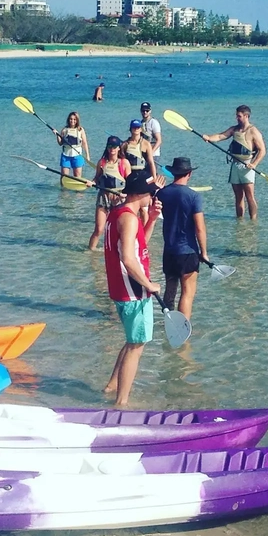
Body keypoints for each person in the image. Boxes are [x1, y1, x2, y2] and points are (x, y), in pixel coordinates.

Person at [103, 171, 162, 406]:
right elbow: (128, 258)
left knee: (131, 341)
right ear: (140, 194)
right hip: (133, 290)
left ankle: (110, 387)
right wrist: (148, 284)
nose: (153, 198)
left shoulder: (120, 212)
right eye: (151, 194)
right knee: (137, 344)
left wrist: (153, 219)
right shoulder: (127, 218)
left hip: (123, 288)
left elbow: (139, 245)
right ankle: (121, 404)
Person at [157, 157, 208, 319]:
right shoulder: (194, 196)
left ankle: (168, 324)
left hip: (169, 251)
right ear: (190, 174)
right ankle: (183, 331)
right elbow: (199, 228)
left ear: (173, 173)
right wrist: (204, 252)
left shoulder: (162, 193)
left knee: (170, 291)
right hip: (188, 251)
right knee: (187, 293)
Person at [203, 105, 267, 219]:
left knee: (250, 196)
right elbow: (220, 136)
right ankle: (240, 220)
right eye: (237, 116)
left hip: (247, 166)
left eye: (239, 116)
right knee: (238, 196)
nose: (237, 118)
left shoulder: (254, 131)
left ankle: (253, 220)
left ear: (246, 116)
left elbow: (262, 150)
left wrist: (254, 164)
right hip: (235, 165)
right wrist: (208, 137)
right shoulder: (234, 129)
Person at [88, 136, 130, 250]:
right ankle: (90, 253)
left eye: (114, 147)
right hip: (103, 198)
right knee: (99, 229)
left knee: (118, 230)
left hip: (119, 200)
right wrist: (91, 182)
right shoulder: (101, 163)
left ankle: (118, 251)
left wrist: (125, 194)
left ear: (118, 148)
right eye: (110, 146)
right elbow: (96, 178)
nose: (112, 149)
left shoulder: (124, 163)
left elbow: (130, 184)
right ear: (107, 147)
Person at [56, 111, 90, 181]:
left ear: (77, 120)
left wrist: (87, 155)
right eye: (71, 119)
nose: (72, 121)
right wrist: (57, 135)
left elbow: (84, 143)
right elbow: (60, 143)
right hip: (66, 156)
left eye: (74, 119)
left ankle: (78, 192)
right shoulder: (64, 130)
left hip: (77, 156)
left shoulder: (80, 130)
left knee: (77, 178)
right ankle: (63, 192)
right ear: (68, 120)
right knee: (64, 178)